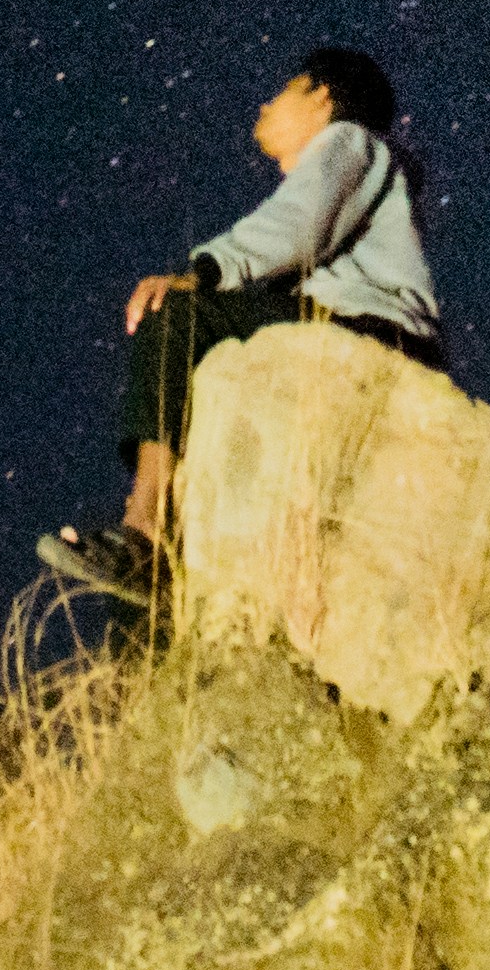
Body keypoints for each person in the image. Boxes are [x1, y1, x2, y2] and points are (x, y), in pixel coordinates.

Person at [38, 42, 439, 598]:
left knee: (175, 313)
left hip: (364, 325)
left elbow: (299, 224)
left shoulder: (348, 141)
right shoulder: (360, 163)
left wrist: (205, 270)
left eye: (281, 93)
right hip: (361, 324)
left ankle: (144, 529)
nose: (264, 108)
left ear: (322, 98)